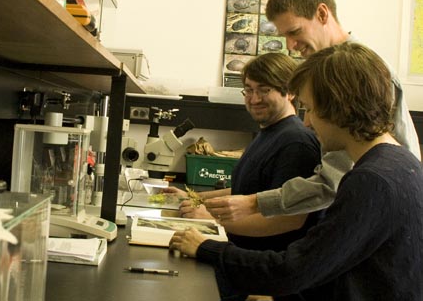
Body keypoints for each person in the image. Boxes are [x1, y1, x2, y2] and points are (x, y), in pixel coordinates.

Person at [169, 42, 423, 300]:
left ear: (340, 107)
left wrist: (207, 248)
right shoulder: (402, 162)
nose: (308, 122)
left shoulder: (371, 180)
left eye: (311, 109)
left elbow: (293, 270)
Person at [204, 0, 421, 222]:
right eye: (284, 36)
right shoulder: (327, 69)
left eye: (295, 32)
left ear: (321, 13)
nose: (291, 45)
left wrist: (255, 203)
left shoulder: (358, 71)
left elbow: (333, 182)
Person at [166, 52, 322, 300]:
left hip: (260, 279)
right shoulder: (268, 132)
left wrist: (213, 220)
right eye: (248, 90)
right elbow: (248, 191)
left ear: (290, 91)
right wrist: (197, 198)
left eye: (264, 90)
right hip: (239, 264)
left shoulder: (296, 143)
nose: (254, 99)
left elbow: (288, 219)